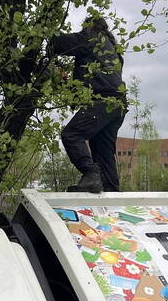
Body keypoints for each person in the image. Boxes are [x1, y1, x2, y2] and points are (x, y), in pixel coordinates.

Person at [51, 16, 127, 193]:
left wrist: (45, 32)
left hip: (101, 102)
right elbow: (99, 77)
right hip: (117, 105)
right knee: (103, 152)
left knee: (71, 134)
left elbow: (60, 43)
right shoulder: (114, 49)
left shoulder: (91, 37)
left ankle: (91, 173)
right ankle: (110, 191)